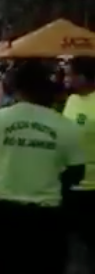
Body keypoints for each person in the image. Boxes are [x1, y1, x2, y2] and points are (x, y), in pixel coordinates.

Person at [0, 60, 84, 274]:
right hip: (46, 215)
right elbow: (76, 173)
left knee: (1, 266)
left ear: (17, 88)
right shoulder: (65, 125)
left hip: (2, 210)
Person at [62, 57, 95, 272]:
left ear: (83, 77)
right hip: (69, 183)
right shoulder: (71, 100)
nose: (65, 79)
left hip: (92, 188)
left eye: (68, 74)